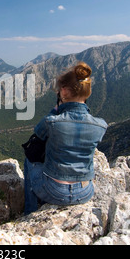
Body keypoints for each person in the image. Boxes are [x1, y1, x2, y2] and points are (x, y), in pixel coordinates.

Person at [24, 61, 108, 215]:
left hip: (54, 191)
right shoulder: (101, 126)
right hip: (85, 192)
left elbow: (38, 135)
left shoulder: (52, 121)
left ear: (63, 91)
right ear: (87, 93)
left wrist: (55, 110)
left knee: (29, 160)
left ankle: (30, 211)